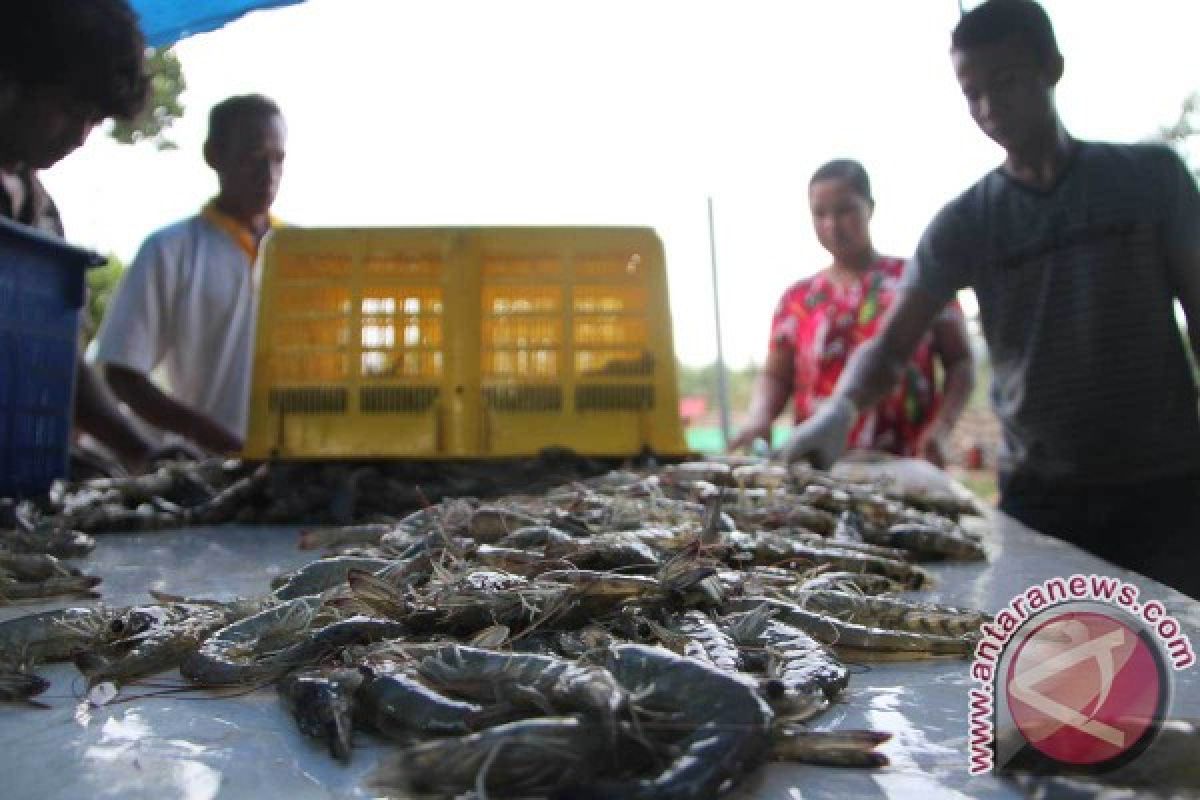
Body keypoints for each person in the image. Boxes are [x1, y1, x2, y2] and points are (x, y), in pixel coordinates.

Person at [780, 0, 1200, 599]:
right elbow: (893, 346)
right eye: (971, 91)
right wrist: (841, 409)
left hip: (1166, 488)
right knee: (1055, 668)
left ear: (1052, 67)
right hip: (1044, 495)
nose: (989, 108)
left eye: (1005, 82)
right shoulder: (966, 223)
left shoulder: (1149, 180)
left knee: (1182, 664)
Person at [729, 159, 974, 467]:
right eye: (820, 214)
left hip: (907, 464)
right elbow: (777, 375)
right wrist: (759, 416)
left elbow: (961, 362)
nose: (831, 224)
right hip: (818, 471)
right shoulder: (798, 299)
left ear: (869, 207)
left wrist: (941, 429)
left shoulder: (918, 282)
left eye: (844, 210)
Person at [0, 0, 158, 472]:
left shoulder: (41, 212)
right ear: (9, 81)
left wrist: (140, 449)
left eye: (94, 119)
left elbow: (60, 358)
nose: (80, 136)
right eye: (71, 110)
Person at [95, 94, 287, 455]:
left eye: (278, 159)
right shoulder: (170, 251)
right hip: (204, 470)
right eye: (254, 158)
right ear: (214, 155)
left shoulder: (306, 256)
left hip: (293, 466)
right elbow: (122, 372)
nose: (269, 175)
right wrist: (207, 437)